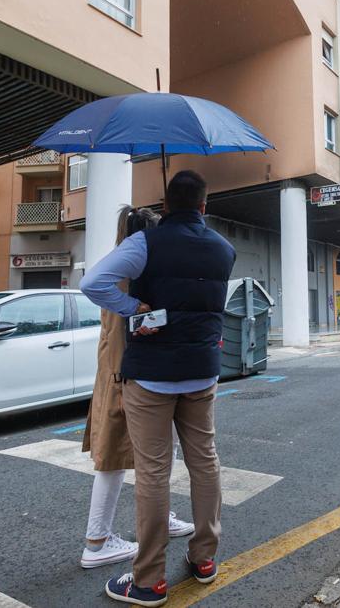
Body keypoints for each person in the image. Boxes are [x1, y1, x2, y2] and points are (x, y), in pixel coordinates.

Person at [81, 171, 235, 607]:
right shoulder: (224, 249)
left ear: (165, 206)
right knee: (205, 462)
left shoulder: (144, 243)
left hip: (150, 376)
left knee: (153, 472)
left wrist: (132, 307)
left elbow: (93, 284)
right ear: (204, 207)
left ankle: (148, 581)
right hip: (203, 372)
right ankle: (204, 559)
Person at [80, 206, 195, 571]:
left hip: (121, 373)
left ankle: (160, 517)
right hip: (122, 376)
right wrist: (138, 308)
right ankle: (97, 542)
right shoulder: (127, 274)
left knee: (159, 451)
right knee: (114, 458)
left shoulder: (121, 266)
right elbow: (126, 319)